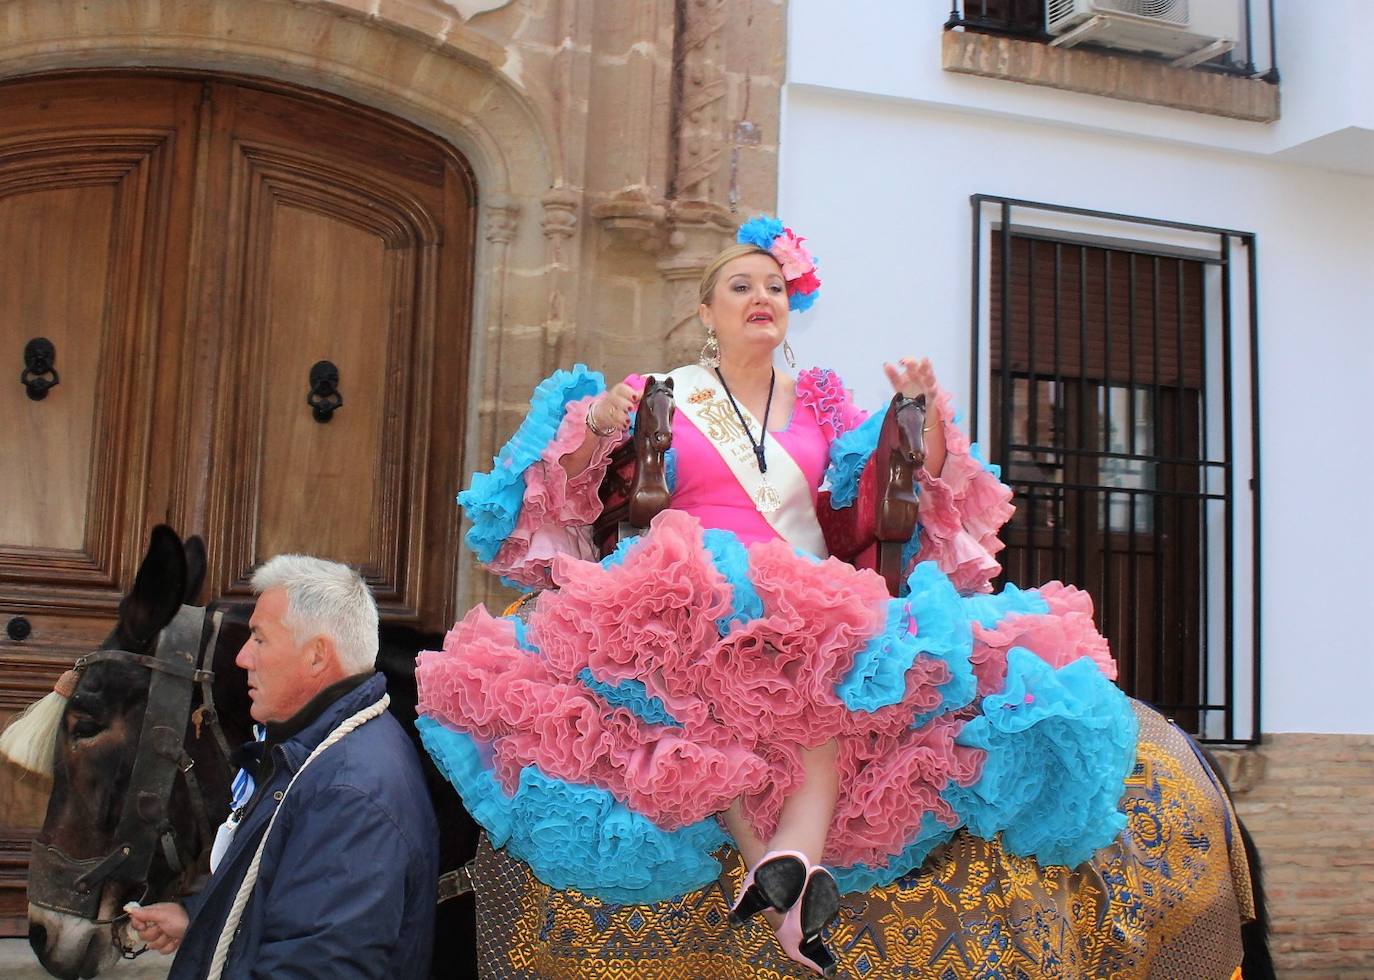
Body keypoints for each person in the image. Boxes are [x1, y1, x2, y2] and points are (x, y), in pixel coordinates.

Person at [415, 216, 1136, 975]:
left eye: (775, 286)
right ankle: (792, 893)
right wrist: (597, 425)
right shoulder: (663, 394)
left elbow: (883, 483)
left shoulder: (821, 402)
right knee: (713, 702)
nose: (763, 295)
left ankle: (783, 872)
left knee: (819, 685)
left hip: (808, 597)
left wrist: (918, 416)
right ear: (706, 313)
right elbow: (571, 484)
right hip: (686, 592)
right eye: (741, 285)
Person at [126, 556, 440, 980]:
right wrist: (201, 920)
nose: (241, 659)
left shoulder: (350, 792)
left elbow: (317, 966)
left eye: (259, 639)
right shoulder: (320, 750)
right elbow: (294, 887)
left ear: (316, 656)